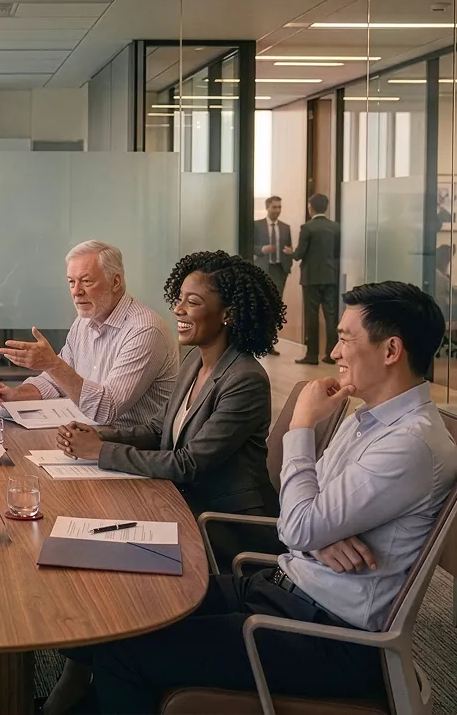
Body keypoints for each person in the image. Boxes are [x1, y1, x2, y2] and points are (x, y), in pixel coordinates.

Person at [60, 281, 457, 714]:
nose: (336, 353)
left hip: (326, 634)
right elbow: (299, 512)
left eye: (345, 339)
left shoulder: (408, 443)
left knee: (126, 652)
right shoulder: (370, 419)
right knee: (123, 615)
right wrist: (318, 532)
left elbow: (300, 520)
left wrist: (301, 428)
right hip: (282, 589)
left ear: (391, 350)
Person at [56, 251, 282, 524]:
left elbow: (188, 464)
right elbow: (157, 430)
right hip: (180, 501)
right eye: (179, 299)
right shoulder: (194, 362)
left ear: (228, 315)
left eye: (193, 302)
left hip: (222, 521)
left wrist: (99, 451)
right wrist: (99, 437)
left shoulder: (245, 381)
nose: (178, 309)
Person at [0, 241, 177, 431]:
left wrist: (52, 363)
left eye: (86, 281)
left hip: (132, 449)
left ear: (115, 282)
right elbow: (56, 381)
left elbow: (106, 410)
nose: (76, 291)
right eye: (71, 282)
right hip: (90, 437)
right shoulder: (84, 321)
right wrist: (15, 394)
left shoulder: (145, 330)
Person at [295, 193, 341, 365]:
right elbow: (337, 253)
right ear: (326, 207)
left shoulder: (307, 228)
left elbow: (300, 254)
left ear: (310, 207)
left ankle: (311, 354)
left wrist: (290, 252)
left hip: (311, 278)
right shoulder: (336, 227)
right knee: (331, 316)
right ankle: (331, 354)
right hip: (330, 276)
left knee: (312, 316)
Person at [253, 195, 293, 354]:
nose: (277, 210)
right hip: (263, 268)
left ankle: (270, 342)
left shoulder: (285, 227)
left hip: (279, 270)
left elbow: (289, 248)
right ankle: (257, 340)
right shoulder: (257, 225)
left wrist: (287, 265)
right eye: (275, 207)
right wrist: (262, 250)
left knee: (274, 307)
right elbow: (250, 244)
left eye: (279, 207)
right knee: (261, 305)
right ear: (267, 207)